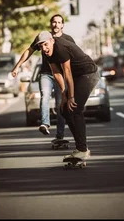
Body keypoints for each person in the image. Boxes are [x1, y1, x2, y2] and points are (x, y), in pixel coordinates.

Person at [35, 31, 99, 160]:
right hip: (77, 77)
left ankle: (82, 149)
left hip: (88, 74)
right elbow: (57, 73)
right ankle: (81, 147)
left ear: (52, 40)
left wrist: (71, 97)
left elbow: (67, 72)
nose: (44, 48)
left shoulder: (61, 48)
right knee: (64, 110)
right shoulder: (47, 53)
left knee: (75, 109)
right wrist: (64, 94)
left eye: (46, 44)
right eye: (41, 46)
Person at [11, 14, 74, 140]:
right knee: (45, 95)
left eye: (59, 22)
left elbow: (74, 59)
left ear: (62, 25)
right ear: (51, 24)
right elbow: (29, 51)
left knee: (60, 103)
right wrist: (17, 66)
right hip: (46, 73)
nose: (56, 24)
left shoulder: (68, 39)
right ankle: (45, 123)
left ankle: (60, 135)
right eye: (54, 22)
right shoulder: (43, 37)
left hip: (61, 76)